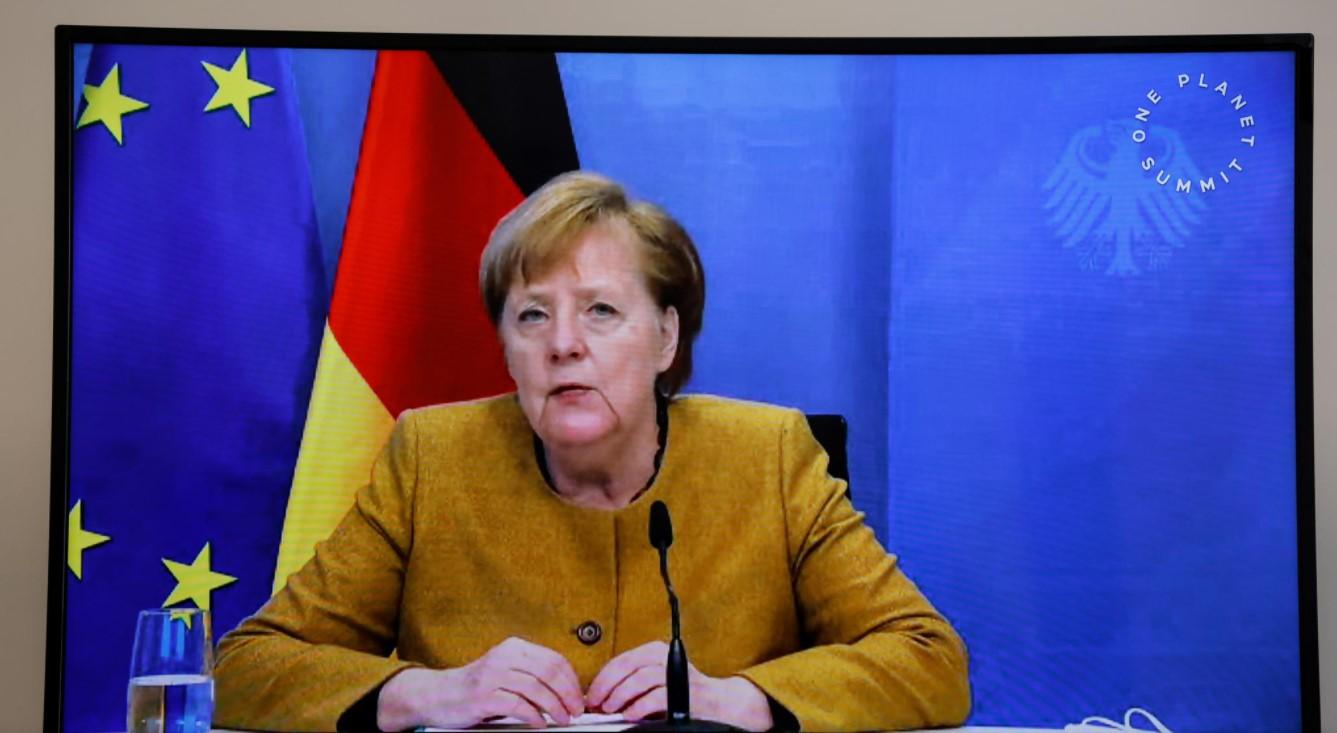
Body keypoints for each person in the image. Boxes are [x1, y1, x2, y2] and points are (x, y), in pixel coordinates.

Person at [214, 171, 970, 732]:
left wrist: (742, 696)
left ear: (666, 338)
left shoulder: (769, 457)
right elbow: (247, 666)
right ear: (507, 349)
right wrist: (426, 691)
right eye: (532, 314)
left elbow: (929, 658)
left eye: (601, 310)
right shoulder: (431, 457)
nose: (564, 343)